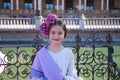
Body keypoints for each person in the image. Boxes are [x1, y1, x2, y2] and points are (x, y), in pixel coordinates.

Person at [30, 14, 82, 80]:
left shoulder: (68, 53)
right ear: (48, 34)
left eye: (60, 33)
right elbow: (35, 76)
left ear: (64, 34)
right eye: (53, 33)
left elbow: (71, 74)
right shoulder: (41, 54)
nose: (56, 36)